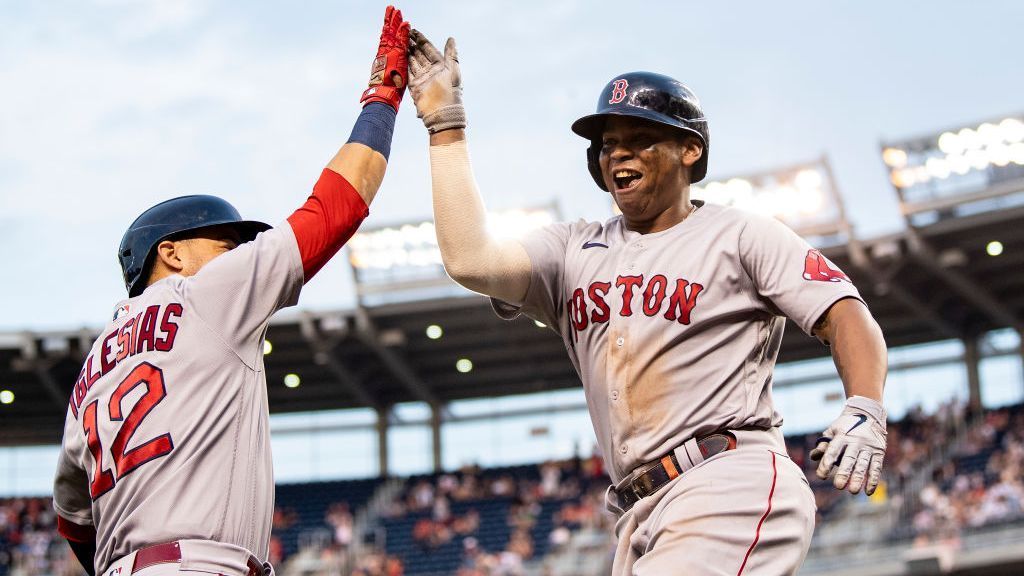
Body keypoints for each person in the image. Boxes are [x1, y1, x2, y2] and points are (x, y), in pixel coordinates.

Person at [406, 31, 889, 575]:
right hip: (639, 511)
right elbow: (472, 260)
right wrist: (446, 127)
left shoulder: (740, 235)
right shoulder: (571, 249)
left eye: (640, 138)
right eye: (608, 144)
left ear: (690, 149)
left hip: (729, 483)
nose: (619, 153)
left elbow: (846, 312)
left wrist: (865, 407)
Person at [51, 7, 410, 576]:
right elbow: (337, 207)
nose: (238, 254)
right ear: (170, 253)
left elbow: (72, 518)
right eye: (223, 242)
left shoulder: (90, 370)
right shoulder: (205, 297)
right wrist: (381, 99)